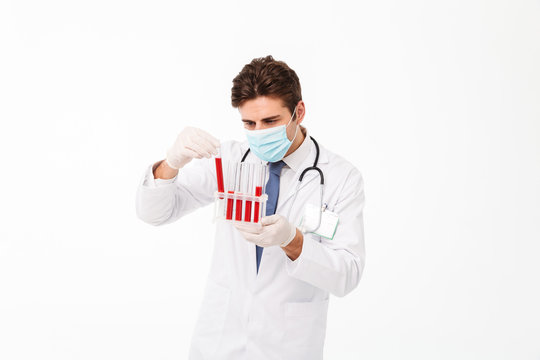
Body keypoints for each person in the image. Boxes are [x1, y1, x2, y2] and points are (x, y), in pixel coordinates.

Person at [135, 55, 365, 360]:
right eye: (249, 123)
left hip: (288, 346)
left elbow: (347, 275)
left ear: (299, 112)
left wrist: (292, 241)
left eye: (270, 122)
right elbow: (155, 213)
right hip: (219, 343)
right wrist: (171, 164)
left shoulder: (339, 178)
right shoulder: (229, 161)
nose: (259, 133)